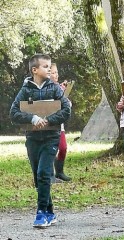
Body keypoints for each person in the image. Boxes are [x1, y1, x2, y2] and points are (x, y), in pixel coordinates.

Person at [10, 54, 71, 228]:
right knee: (39, 177)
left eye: (50, 67)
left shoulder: (55, 88)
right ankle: (50, 212)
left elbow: (66, 110)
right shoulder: (25, 90)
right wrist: (33, 118)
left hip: (51, 137)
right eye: (46, 67)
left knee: (44, 173)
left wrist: (49, 119)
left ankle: (41, 212)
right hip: (32, 138)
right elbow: (13, 113)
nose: (50, 70)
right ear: (34, 70)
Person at [50, 63, 71, 182]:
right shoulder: (45, 88)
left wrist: (64, 94)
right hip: (48, 123)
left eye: (57, 72)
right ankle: (51, 173)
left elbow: (68, 104)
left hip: (59, 124)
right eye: (53, 73)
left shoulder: (59, 87)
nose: (56, 75)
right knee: (51, 149)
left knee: (63, 148)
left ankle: (60, 171)